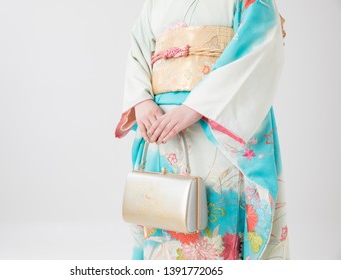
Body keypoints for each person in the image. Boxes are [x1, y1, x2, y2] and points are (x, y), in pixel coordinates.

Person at [115, 0, 289, 260]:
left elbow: (260, 43)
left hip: (216, 124)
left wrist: (196, 107)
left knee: (215, 222)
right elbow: (138, 49)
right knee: (163, 220)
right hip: (161, 126)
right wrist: (141, 101)